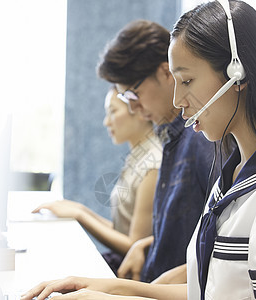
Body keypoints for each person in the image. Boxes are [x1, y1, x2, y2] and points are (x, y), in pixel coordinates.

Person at [21, 1, 256, 299]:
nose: (178, 101)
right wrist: (107, 286)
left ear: (237, 73)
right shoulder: (232, 176)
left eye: (187, 81)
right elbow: (208, 292)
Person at [96, 19, 214, 283]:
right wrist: (147, 245)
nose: (133, 107)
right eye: (125, 98)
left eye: (134, 93)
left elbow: (220, 242)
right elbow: (184, 231)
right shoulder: (171, 139)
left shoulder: (200, 137)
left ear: (165, 73)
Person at [32, 87, 162, 274]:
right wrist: (79, 209)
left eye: (113, 112)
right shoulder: (139, 155)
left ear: (138, 109)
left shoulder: (153, 163)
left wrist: (80, 215)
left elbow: (134, 244)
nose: (106, 121)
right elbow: (123, 230)